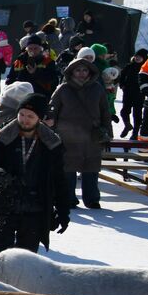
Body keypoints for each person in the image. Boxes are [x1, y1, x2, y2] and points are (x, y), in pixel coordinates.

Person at [0, 95, 70, 253]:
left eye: (30, 116)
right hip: (4, 204)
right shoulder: (3, 135)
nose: (25, 120)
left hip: (35, 207)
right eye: (21, 114)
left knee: (26, 259)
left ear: (40, 118)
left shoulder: (52, 143)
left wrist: (63, 211)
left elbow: (59, 179)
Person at [49, 57, 112, 210]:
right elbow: (52, 110)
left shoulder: (97, 88)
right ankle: (68, 198)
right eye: (78, 70)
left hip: (92, 135)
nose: (81, 73)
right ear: (71, 72)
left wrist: (108, 134)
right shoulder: (63, 89)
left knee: (91, 168)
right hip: (67, 136)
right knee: (68, 170)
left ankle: (92, 199)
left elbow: (105, 112)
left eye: (84, 70)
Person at [118, 48, 148, 138]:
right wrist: (122, 85)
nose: (137, 58)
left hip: (139, 94)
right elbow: (122, 77)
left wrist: (146, 90)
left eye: (140, 57)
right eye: (136, 56)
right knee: (124, 111)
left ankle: (135, 133)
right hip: (127, 92)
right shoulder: (129, 66)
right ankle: (127, 125)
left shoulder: (145, 68)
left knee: (137, 114)